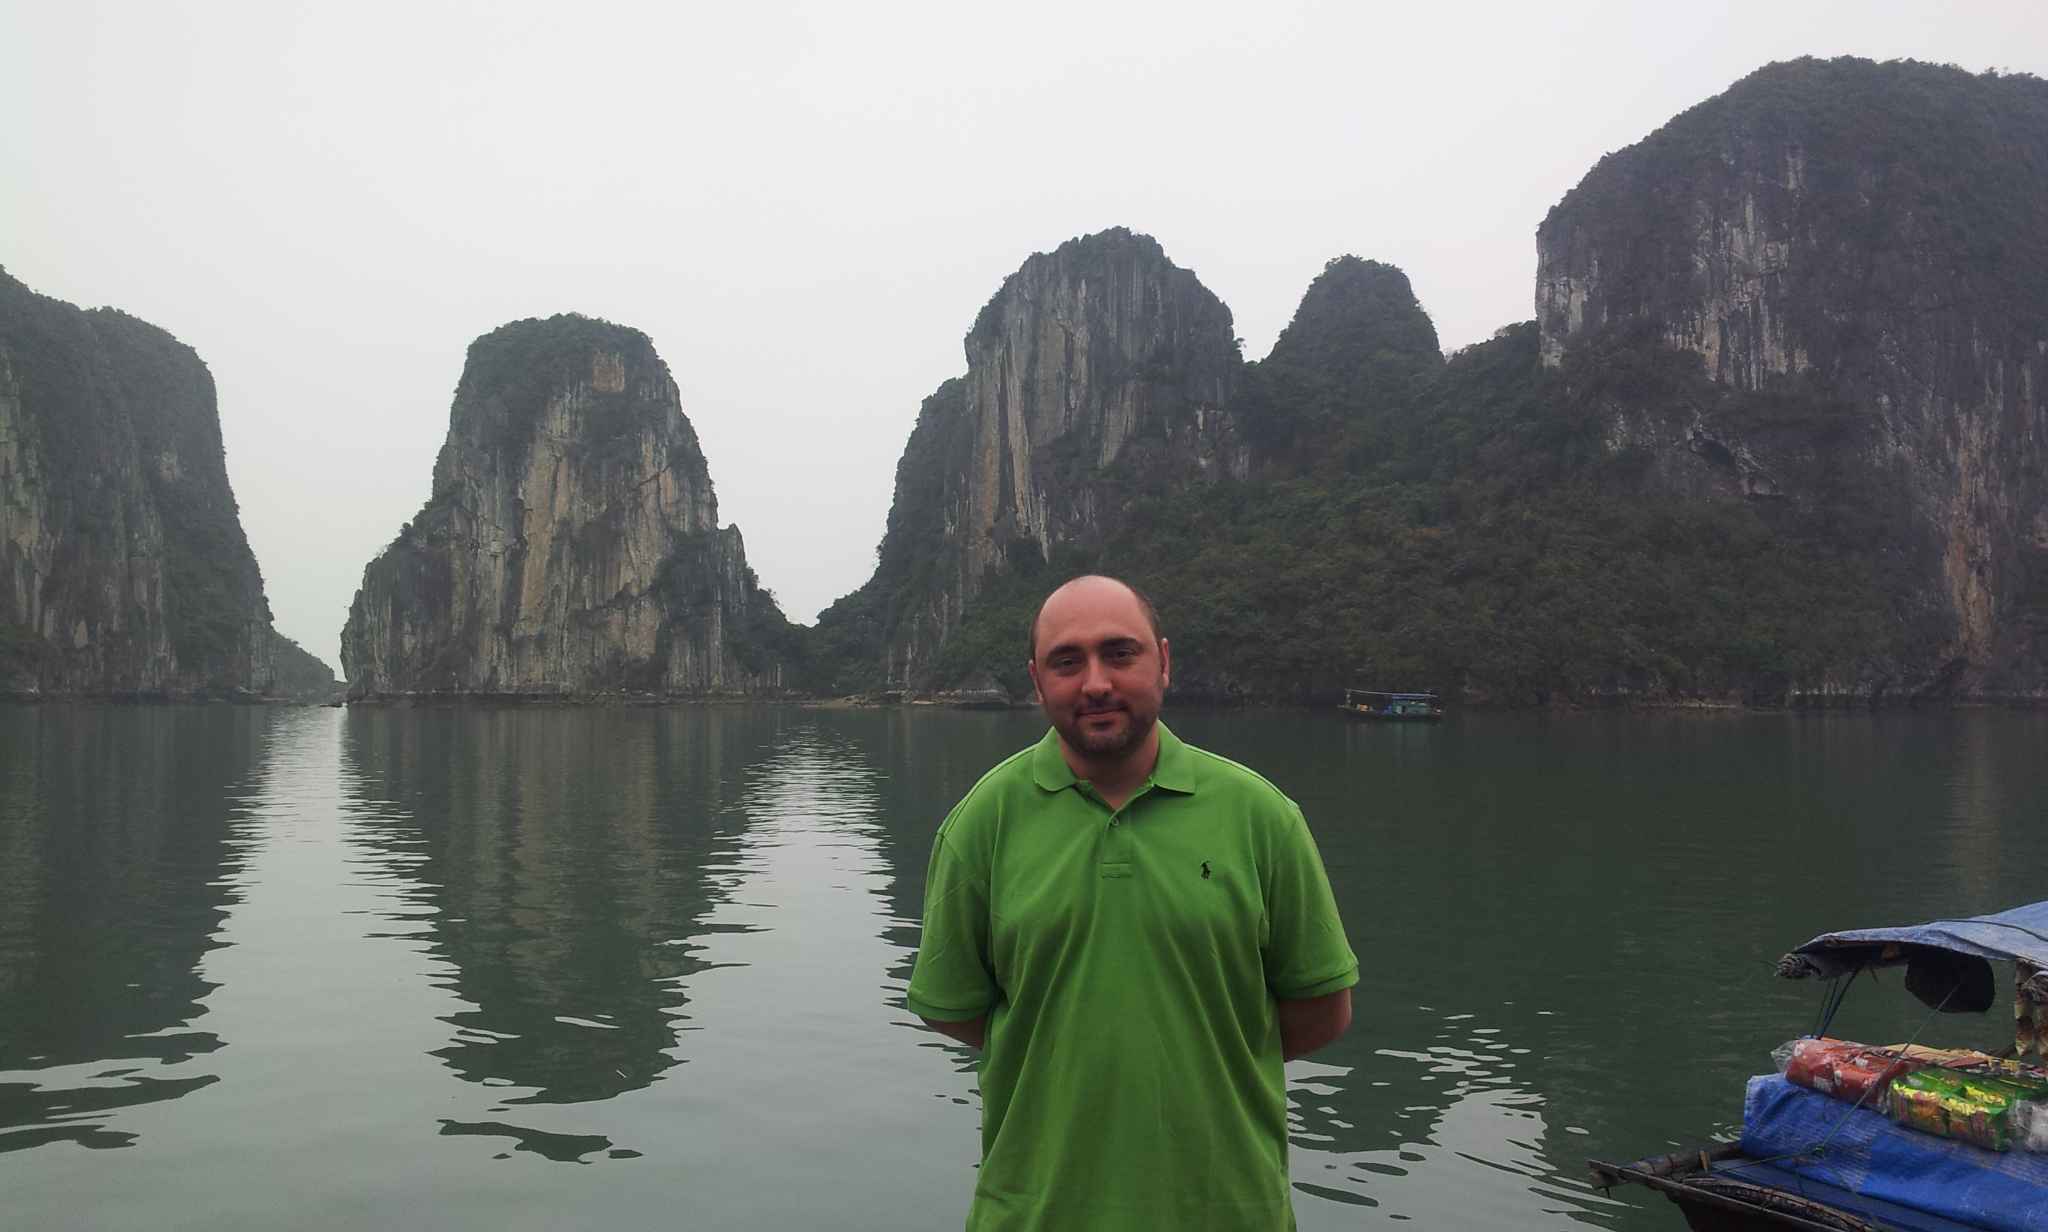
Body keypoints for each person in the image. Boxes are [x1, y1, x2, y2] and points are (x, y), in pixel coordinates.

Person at [906, 574, 1358, 1231]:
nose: (1096, 683)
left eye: (1120, 653)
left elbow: (1322, 1009)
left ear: (1163, 662)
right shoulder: (982, 824)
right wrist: (1061, 1043)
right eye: (1067, 662)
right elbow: (954, 1008)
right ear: (1037, 682)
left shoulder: (1261, 818)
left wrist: (1209, 1046)